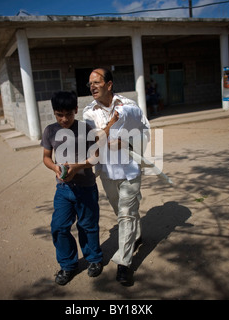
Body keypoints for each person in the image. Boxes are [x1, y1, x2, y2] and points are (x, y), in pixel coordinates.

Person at [82, 68, 150, 285]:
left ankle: (124, 263)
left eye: (96, 82)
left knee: (125, 214)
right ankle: (136, 234)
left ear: (109, 85)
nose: (92, 86)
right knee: (120, 210)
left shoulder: (128, 105)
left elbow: (145, 131)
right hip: (107, 172)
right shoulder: (88, 112)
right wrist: (110, 129)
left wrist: (128, 142)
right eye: (89, 83)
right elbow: (97, 138)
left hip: (130, 170)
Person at [41, 91, 103, 286]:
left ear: (76, 110)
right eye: (59, 114)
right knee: (59, 227)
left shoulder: (86, 129)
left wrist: (77, 167)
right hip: (63, 189)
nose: (64, 119)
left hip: (86, 188)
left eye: (68, 114)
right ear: (54, 113)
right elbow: (46, 158)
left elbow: (96, 157)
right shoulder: (50, 131)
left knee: (88, 226)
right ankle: (68, 264)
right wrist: (55, 168)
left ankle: (93, 259)